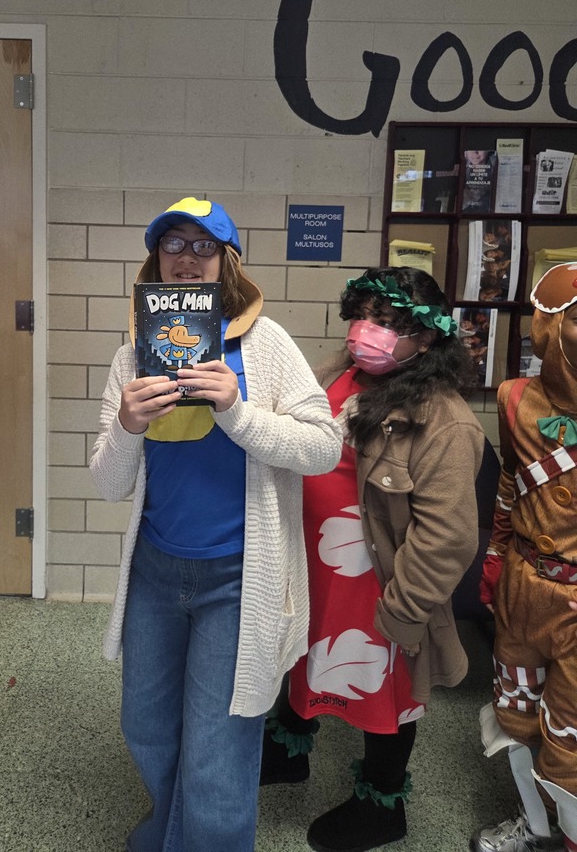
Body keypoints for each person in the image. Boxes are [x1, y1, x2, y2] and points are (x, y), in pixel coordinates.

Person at [90, 196, 343, 852]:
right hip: (155, 572)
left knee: (216, 749)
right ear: (156, 261)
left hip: (239, 581)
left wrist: (238, 410)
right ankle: (177, 830)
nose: (186, 257)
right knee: (146, 727)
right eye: (173, 244)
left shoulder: (267, 347)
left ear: (226, 263)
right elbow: (110, 484)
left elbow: (324, 447)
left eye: (203, 246)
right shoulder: (132, 356)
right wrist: (128, 424)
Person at [260, 266, 485, 852]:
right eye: (363, 316)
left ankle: (382, 803)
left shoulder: (446, 421)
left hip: (380, 584)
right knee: (302, 656)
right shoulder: (340, 372)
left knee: (387, 690)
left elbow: (448, 539)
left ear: (427, 337)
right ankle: (289, 750)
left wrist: (403, 613)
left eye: (388, 324)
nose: (367, 331)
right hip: (315, 567)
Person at [471, 262, 577, 852]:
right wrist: (494, 565)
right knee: (516, 720)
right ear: (549, 326)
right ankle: (535, 828)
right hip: (524, 586)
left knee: (573, 741)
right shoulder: (516, 400)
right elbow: (511, 488)